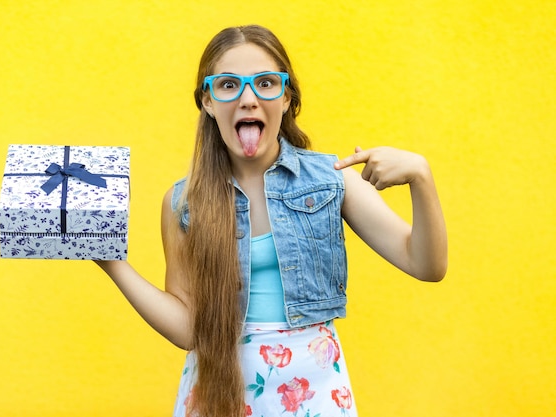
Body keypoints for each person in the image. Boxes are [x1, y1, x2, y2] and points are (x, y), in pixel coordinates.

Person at [95, 24, 447, 417]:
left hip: (312, 388)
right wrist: (112, 263)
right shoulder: (183, 202)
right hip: (217, 393)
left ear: (287, 97)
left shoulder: (332, 180)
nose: (248, 99)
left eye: (265, 82)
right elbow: (189, 329)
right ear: (208, 101)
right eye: (229, 85)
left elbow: (426, 265)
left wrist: (421, 176)